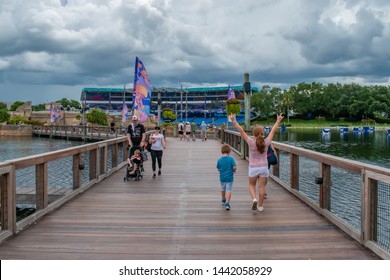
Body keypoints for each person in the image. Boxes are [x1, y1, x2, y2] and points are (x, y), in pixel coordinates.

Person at [231, 113, 284, 212]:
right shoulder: (267, 142)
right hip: (264, 167)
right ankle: (260, 206)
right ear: (263, 133)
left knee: (251, 185)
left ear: (253, 134)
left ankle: (254, 199)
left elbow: (241, 131)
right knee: (262, 186)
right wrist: (278, 121)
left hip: (253, 167)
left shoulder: (251, 142)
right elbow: (273, 131)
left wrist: (234, 120)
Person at [216, 144, 237, 210]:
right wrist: (234, 170)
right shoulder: (231, 159)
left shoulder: (219, 160)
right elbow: (234, 167)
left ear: (221, 151)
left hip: (222, 177)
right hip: (229, 177)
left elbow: (218, 169)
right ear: (229, 151)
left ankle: (223, 199)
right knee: (228, 190)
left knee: (223, 188)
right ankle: (227, 203)